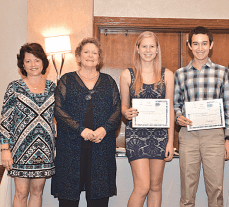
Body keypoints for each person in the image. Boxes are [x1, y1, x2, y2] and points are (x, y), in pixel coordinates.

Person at [51, 37, 121, 207]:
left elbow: (117, 111)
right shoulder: (66, 80)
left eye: (94, 53)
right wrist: (80, 130)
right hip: (70, 148)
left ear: (99, 57)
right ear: (79, 56)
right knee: (68, 199)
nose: (90, 56)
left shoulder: (109, 82)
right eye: (86, 52)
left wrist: (104, 129)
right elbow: (58, 110)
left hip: (101, 148)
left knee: (98, 199)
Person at [174, 26, 229, 207]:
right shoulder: (180, 73)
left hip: (214, 136)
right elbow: (176, 104)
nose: (200, 48)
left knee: (216, 190)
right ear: (189, 46)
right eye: (196, 44)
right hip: (188, 134)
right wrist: (178, 116)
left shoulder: (223, 72)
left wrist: (228, 138)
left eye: (204, 43)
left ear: (211, 45)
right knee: (187, 190)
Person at [120, 31, 174, 207]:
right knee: (142, 187)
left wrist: (170, 141)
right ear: (137, 49)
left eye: (152, 46)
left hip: (160, 137)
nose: (148, 50)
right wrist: (126, 112)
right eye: (144, 46)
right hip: (136, 136)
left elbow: (170, 110)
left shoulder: (168, 75)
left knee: (156, 187)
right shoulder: (127, 75)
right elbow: (123, 106)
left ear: (157, 50)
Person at [0, 43, 55, 207]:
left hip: (45, 149)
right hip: (20, 150)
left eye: (37, 60)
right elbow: (5, 121)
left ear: (43, 62)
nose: (33, 65)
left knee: (37, 192)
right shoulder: (14, 87)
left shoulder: (53, 87)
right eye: (28, 61)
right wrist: (5, 150)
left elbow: (58, 117)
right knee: (21, 193)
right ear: (22, 64)